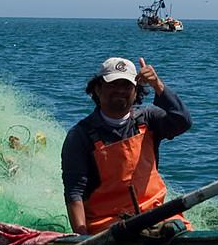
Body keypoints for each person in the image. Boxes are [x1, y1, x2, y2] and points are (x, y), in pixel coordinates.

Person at [60, 56, 192, 235]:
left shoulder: (148, 119)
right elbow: (74, 193)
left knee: (178, 228)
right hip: (108, 226)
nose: (120, 91)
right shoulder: (80, 135)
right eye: (113, 84)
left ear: (136, 92)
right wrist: (81, 239)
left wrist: (157, 84)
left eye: (126, 85)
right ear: (97, 89)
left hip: (156, 216)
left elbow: (182, 121)